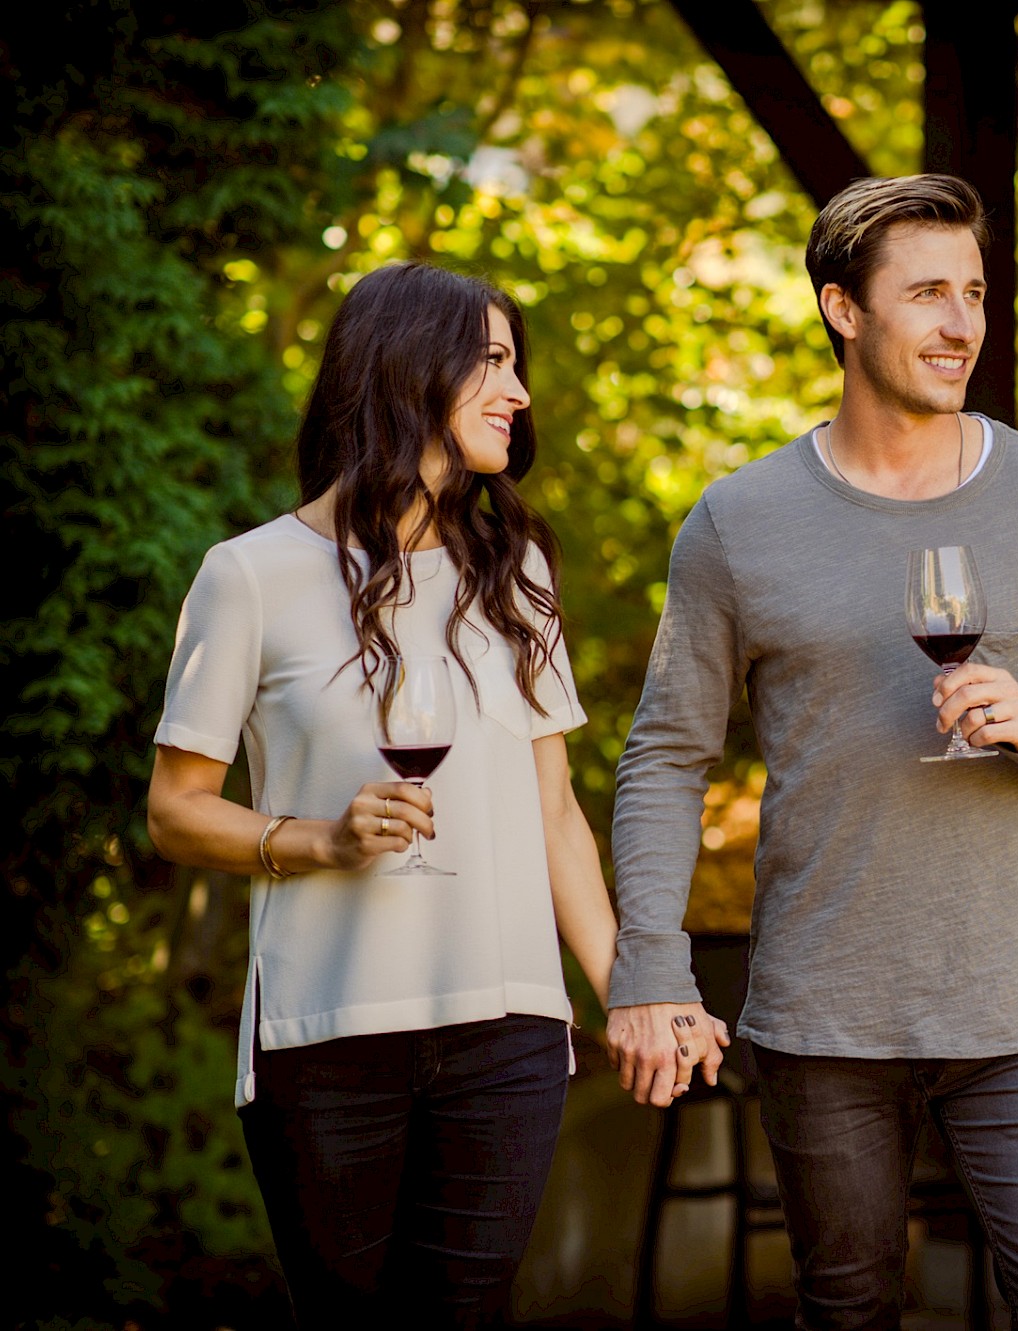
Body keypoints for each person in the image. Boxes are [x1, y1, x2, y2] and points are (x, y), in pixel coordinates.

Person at [608, 174, 1018, 1329]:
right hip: (824, 1018)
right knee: (850, 1308)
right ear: (841, 309)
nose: (961, 323)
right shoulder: (739, 519)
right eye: (926, 293)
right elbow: (667, 755)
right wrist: (651, 966)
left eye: (972, 293)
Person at [147, 261, 621, 1329]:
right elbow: (175, 807)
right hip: (326, 1035)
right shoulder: (249, 575)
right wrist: (317, 838)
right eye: (492, 362)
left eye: (517, 364)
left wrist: (625, 989)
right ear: (410, 370)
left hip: (506, 1027)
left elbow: (554, 812)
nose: (519, 392)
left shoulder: (518, 571)